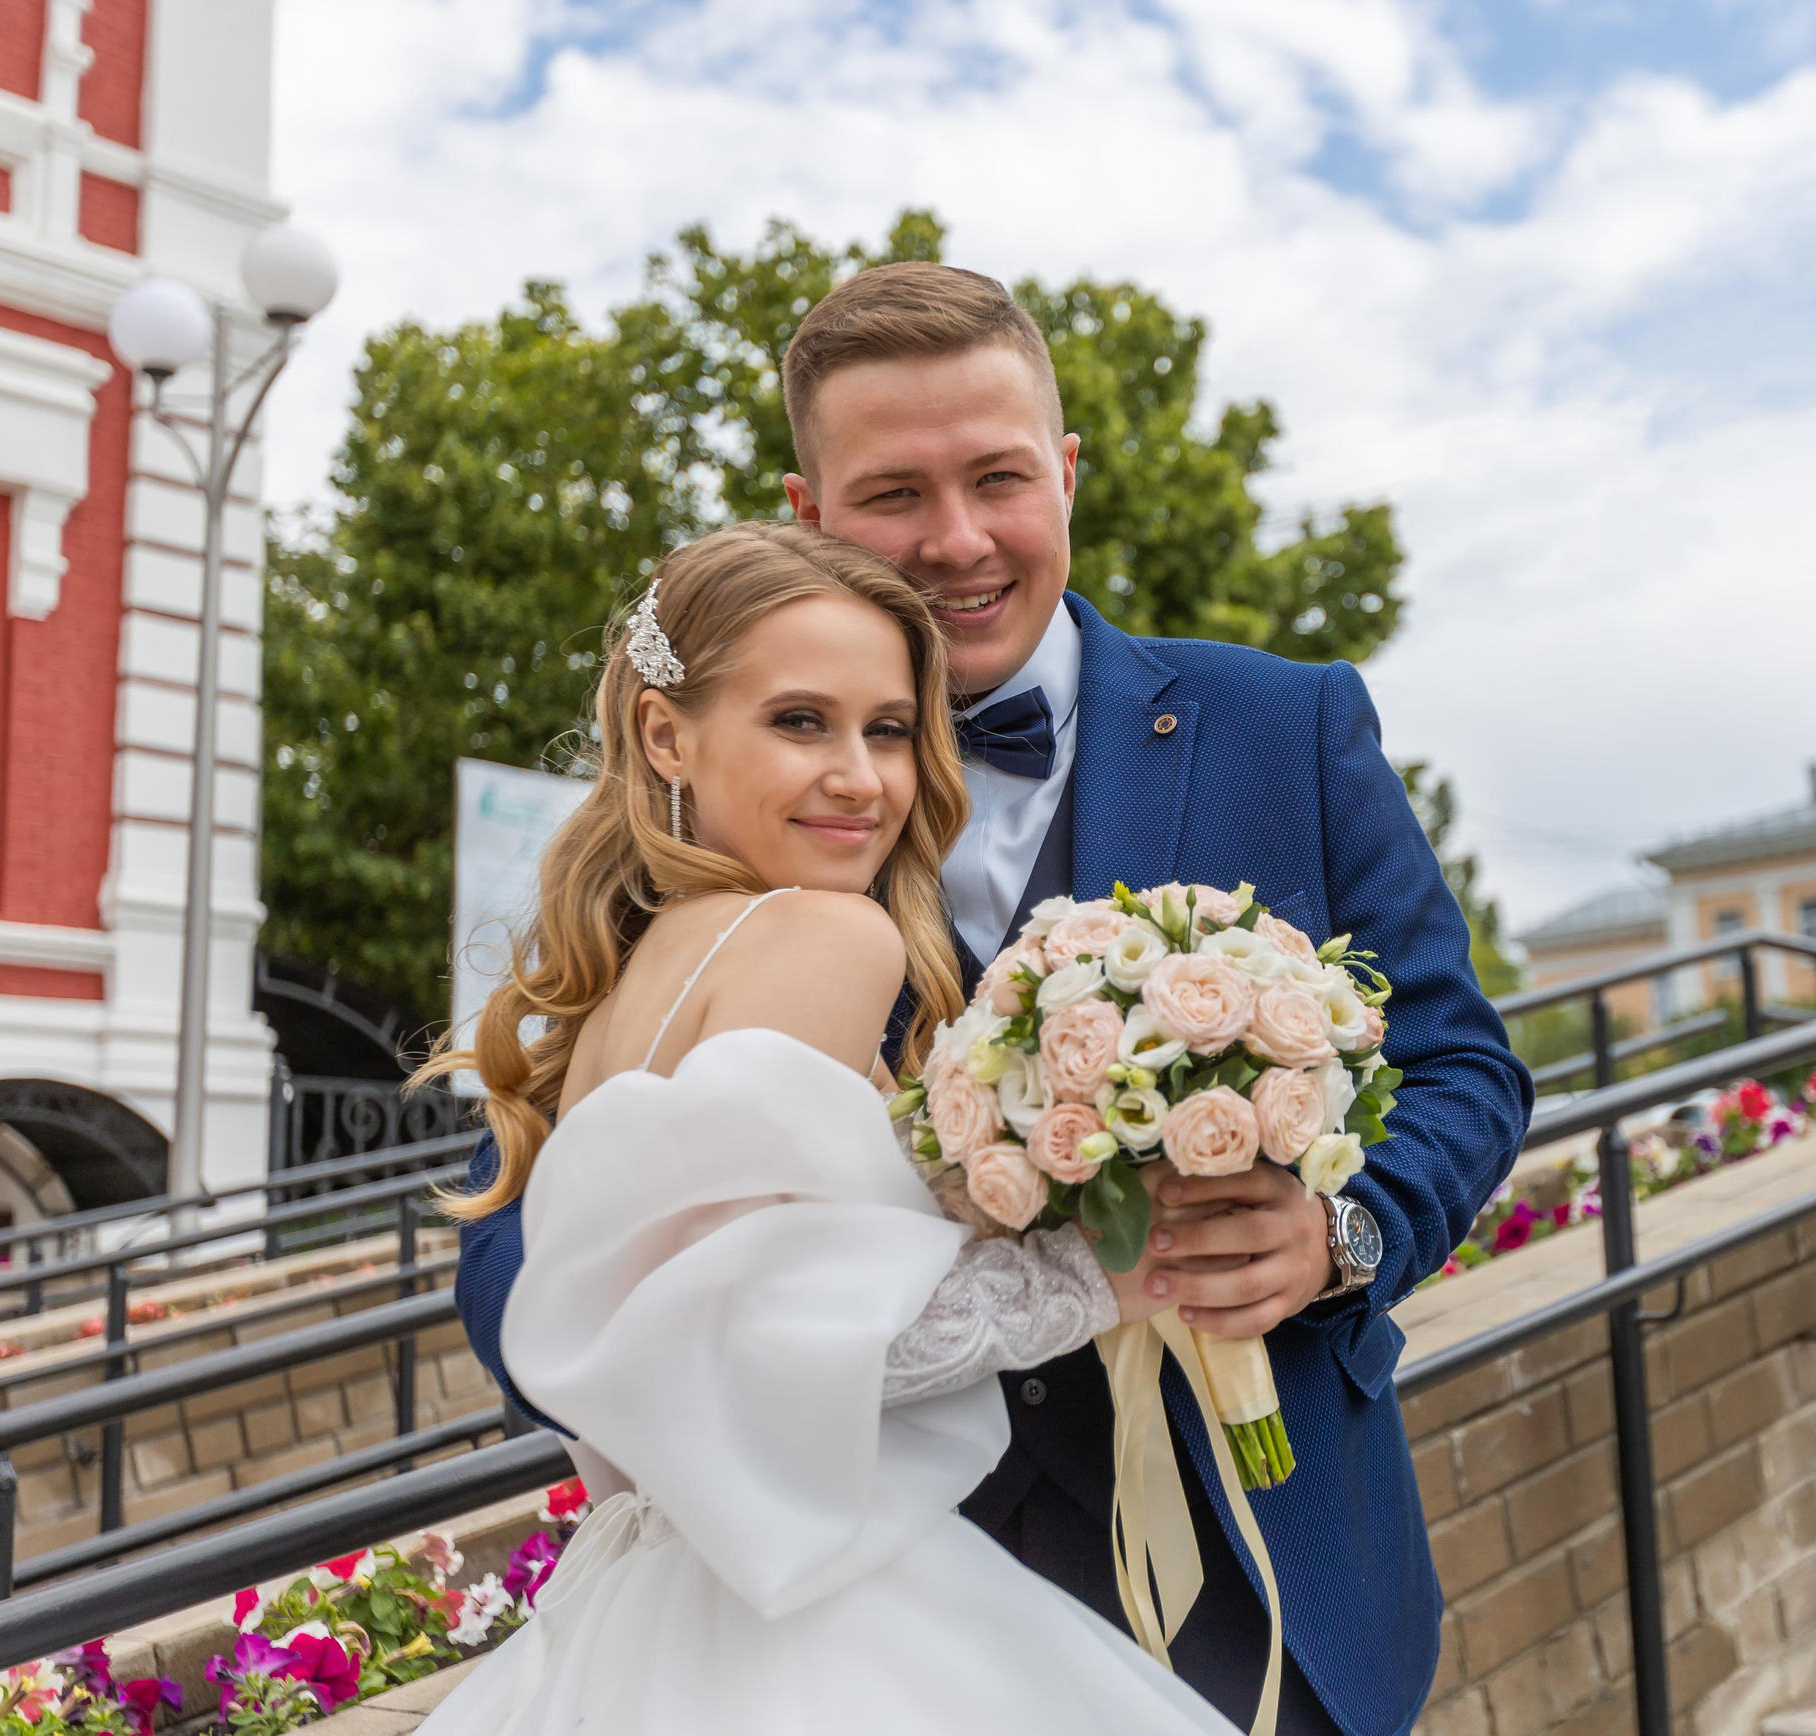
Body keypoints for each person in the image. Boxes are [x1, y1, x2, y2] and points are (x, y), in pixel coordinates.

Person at [454, 264, 1533, 1736]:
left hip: (1262, 1567)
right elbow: (546, 1187)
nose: (957, 539)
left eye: (999, 478)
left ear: (1065, 472)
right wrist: (618, 1375)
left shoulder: (1285, 725)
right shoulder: (710, 835)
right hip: (857, 1596)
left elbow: (1461, 1065)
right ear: (808, 505)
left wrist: (1339, 1234)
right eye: (894, 492)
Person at [411, 523, 1239, 1733]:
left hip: (645, 1593)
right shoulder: (830, 935)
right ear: (663, 733)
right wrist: (1111, 1268)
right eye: (801, 721)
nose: (860, 777)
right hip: (797, 1619)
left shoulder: (634, 971)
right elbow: (759, 1350)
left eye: (889, 729)